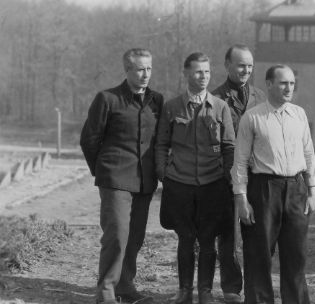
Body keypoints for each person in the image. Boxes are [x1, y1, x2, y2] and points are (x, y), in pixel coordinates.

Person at [80, 48, 163, 304]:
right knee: (116, 234)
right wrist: (104, 172)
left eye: (149, 68)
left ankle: (126, 287)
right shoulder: (107, 99)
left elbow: (159, 140)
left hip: (144, 181)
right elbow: (89, 140)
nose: (145, 74)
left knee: (135, 236)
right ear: (127, 70)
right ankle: (106, 290)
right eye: (139, 69)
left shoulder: (157, 100)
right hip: (115, 179)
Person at [231, 65, 315, 304]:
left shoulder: (299, 114)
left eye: (291, 83)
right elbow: (239, 161)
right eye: (283, 83)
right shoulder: (253, 117)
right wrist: (241, 198)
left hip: (296, 189)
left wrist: (312, 190)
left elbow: (309, 154)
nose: (289, 88)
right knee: (259, 254)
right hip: (263, 189)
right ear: (269, 84)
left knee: (296, 255)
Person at [155, 52, 236, 304]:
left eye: (208, 72)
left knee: (208, 239)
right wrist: (164, 174)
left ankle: (205, 292)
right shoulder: (172, 107)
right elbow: (161, 144)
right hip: (179, 184)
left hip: (212, 185)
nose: (204, 77)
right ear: (186, 73)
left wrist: (226, 178)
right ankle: (184, 291)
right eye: (198, 72)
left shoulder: (220, 107)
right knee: (185, 238)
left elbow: (229, 147)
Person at [212, 44, 267, 304]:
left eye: (249, 66)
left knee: (257, 233)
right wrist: (228, 175)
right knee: (229, 235)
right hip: (227, 176)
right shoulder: (215, 99)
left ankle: (255, 288)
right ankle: (232, 288)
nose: (246, 70)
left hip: (257, 175)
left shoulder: (260, 97)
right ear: (227, 65)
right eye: (240, 65)